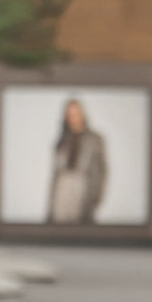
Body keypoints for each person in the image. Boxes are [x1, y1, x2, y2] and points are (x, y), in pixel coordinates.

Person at [47, 96, 108, 226]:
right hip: (62, 190)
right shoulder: (61, 141)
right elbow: (54, 175)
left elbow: (101, 172)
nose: (73, 117)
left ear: (82, 114)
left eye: (76, 113)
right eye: (69, 114)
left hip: (82, 186)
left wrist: (94, 200)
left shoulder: (95, 140)